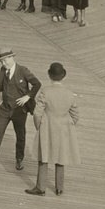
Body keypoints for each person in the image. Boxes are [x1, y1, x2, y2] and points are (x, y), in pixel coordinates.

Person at [27, 63, 80, 197]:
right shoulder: (69, 93)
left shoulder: (46, 91)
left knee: (43, 157)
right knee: (61, 158)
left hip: (47, 127)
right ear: (63, 76)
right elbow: (75, 114)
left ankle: (41, 187)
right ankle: (59, 188)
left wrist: (39, 126)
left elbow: (37, 113)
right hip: (63, 129)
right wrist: (68, 125)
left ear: (50, 75)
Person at [0, 49, 40, 173]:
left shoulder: (23, 70)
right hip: (5, 109)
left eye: (5, 60)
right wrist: (2, 98)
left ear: (12, 58)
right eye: (1, 61)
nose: (3, 63)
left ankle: (19, 159)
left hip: (19, 110)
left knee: (20, 135)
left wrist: (28, 97)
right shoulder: (2, 70)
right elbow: (0, 86)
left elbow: (37, 84)